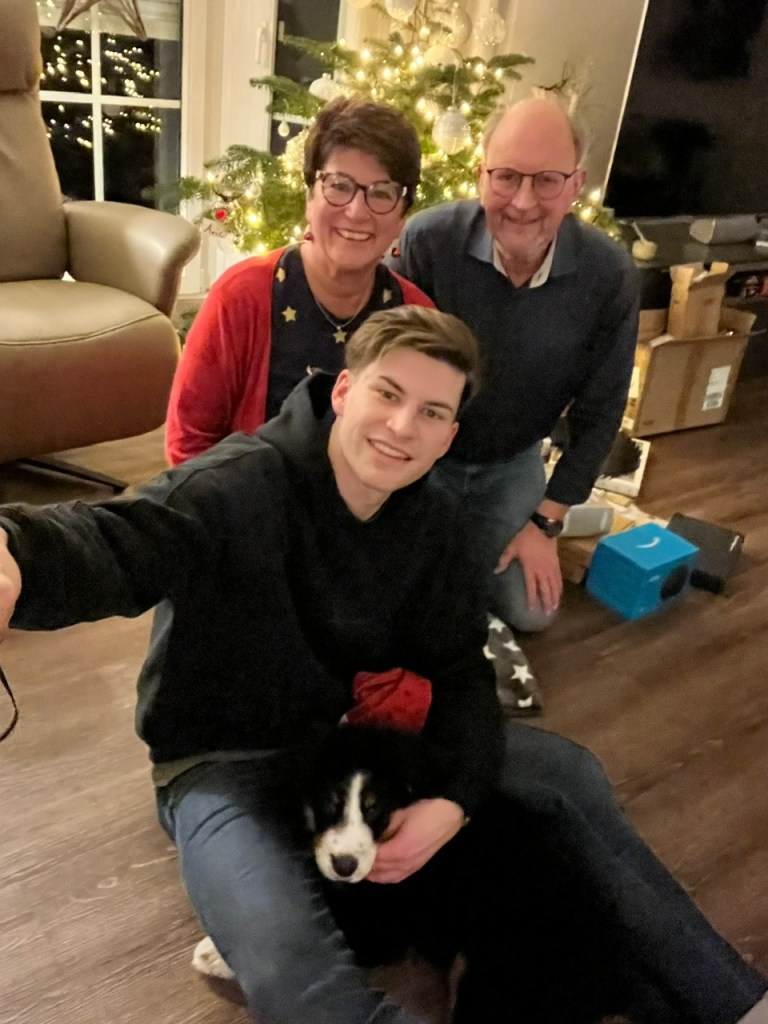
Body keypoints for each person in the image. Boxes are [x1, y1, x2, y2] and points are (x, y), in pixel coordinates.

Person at [1, 305, 766, 1024]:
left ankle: (734, 1000)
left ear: (449, 434)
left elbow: (461, 672)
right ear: (344, 390)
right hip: (220, 761)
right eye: (388, 394)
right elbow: (114, 542)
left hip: (346, 748)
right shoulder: (231, 488)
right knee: (298, 976)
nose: (403, 427)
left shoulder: (433, 525)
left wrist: (454, 802)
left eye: (431, 412)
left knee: (566, 772)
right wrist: (15, 553)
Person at [389, 93, 640, 633]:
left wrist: (546, 522)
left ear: (576, 184)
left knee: (534, 611)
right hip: (421, 458)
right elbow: (388, 373)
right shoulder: (427, 242)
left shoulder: (610, 274)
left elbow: (601, 410)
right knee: (392, 589)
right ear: (481, 175)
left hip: (512, 462)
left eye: (547, 180)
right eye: (506, 177)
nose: (523, 202)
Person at [165, 96, 433, 466]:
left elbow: (420, 450)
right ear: (309, 195)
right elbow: (189, 442)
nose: (357, 211)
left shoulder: (417, 317)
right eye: (339, 185)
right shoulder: (241, 296)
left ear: (403, 215)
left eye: (382, 193)